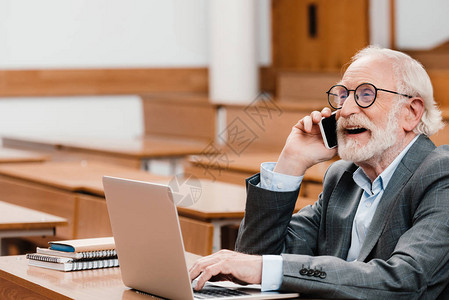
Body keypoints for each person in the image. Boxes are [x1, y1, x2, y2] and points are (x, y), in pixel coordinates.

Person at [189, 46, 449, 299]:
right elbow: (255, 255)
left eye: (365, 95)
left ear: (411, 112)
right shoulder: (343, 178)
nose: (345, 111)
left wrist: (263, 268)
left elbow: (405, 280)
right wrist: (291, 163)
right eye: (343, 96)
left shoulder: (440, 175)